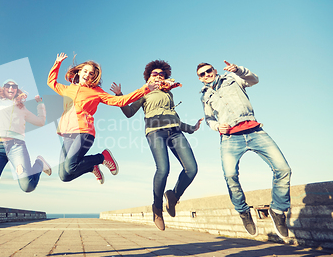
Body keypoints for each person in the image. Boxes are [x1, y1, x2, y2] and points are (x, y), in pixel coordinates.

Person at [197, 60, 291, 238]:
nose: (206, 75)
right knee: (230, 175)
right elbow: (209, 119)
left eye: (208, 71)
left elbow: (254, 80)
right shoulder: (204, 96)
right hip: (230, 138)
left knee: (283, 169)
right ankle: (243, 212)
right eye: (202, 74)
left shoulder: (233, 78)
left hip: (255, 131)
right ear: (200, 79)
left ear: (214, 70)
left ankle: (278, 210)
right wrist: (217, 126)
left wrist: (239, 70)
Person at [0, 47, 51, 253]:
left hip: (16, 146)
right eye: (8, 85)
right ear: (3, 88)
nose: (11, 88)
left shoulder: (22, 109)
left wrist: (41, 105)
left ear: (17, 91)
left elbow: (41, 122)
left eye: (14, 86)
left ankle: (39, 163)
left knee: (27, 186)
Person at [110, 60, 202, 231]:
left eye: (162, 74)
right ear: (148, 77)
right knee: (163, 169)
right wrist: (119, 95)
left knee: (192, 169)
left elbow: (174, 118)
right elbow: (129, 113)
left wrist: (191, 128)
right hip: (155, 132)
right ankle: (157, 209)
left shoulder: (169, 94)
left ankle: (173, 195)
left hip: (175, 132)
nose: (159, 76)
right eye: (155, 74)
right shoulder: (144, 93)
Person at [47, 53, 154, 184]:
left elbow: (120, 101)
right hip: (67, 134)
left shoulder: (96, 92)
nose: (87, 75)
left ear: (94, 77)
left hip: (84, 132)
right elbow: (51, 82)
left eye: (91, 73)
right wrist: (57, 63)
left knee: (70, 167)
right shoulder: (68, 89)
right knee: (65, 176)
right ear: (79, 72)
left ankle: (102, 157)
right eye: (85, 71)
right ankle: (91, 167)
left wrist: (144, 89)